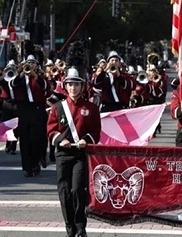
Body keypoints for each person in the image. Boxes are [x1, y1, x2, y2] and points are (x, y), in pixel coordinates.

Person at [46, 66, 101, 237]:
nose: (73, 88)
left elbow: (96, 131)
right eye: (70, 84)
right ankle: (70, 228)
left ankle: (80, 227)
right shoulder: (57, 107)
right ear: (66, 86)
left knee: (77, 190)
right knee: (64, 191)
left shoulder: (91, 108)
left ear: (82, 86)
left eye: (76, 85)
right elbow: (50, 129)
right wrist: (60, 139)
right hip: (63, 153)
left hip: (80, 154)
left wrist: (87, 140)